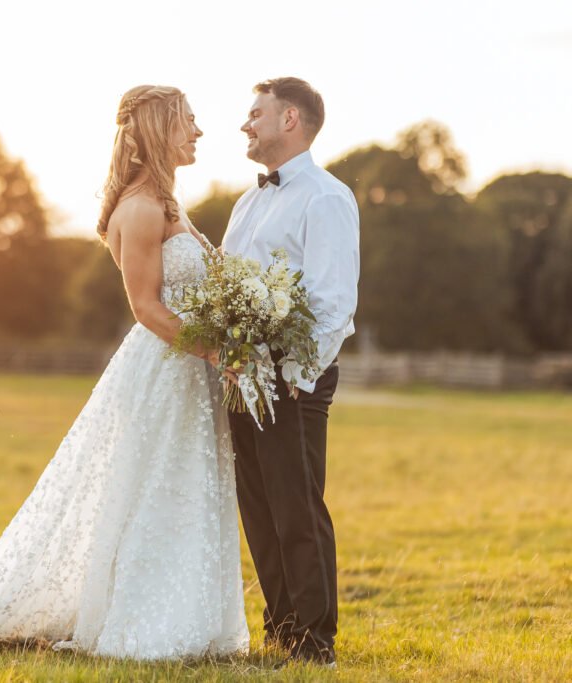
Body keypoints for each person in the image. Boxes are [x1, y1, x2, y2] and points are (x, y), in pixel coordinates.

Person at [0, 85, 250, 660]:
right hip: (167, 370)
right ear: (162, 128)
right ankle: (146, 624)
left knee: (189, 489)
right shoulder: (139, 207)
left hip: (187, 371)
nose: (199, 131)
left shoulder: (168, 203)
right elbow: (146, 306)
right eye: (189, 121)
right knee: (159, 490)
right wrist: (217, 352)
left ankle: (191, 619)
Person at [221, 77, 360, 668]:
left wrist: (295, 376)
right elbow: (227, 289)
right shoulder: (247, 202)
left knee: (296, 505)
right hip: (240, 374)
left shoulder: (326, 198)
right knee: (259, 508)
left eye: (256, 114)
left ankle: (314, 643)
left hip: (292, 377)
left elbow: (333, 302)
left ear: (290, 121)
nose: (245, 125)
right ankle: (280, 631)